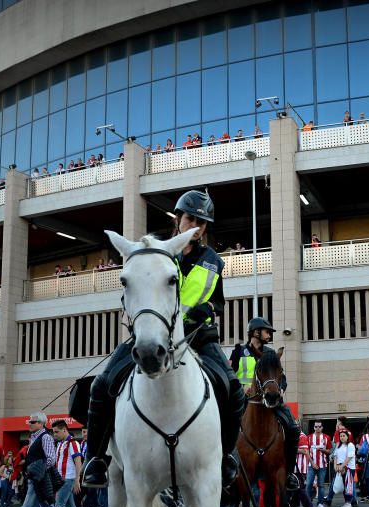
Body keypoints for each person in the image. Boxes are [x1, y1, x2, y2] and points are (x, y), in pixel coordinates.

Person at [79, 190, 246, 491]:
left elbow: (218, 302)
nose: (194, 225)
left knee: (233, 390)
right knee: (102, 385)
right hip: (155, 333)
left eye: (201, 221)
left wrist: (205, 310)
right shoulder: (156, 254)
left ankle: (225, 455)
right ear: (179, 219)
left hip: (198, 336)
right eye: (189, 218)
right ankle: (95, 459)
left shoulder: (214, 262)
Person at [229, 317, 301, 491]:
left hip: (271, 402)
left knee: (293, 427)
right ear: (255, 333)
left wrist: (282, 388)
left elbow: (281, 377)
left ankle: (289, 473)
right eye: (267, 331)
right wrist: (241, 387)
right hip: (244, 401)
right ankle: (228, 471)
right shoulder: (238, 352)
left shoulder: (270, 354)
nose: (269, 335)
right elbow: (229, 375)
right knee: (224, 428)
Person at [1, 412, 78, 507]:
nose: (29, 423)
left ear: (42, 423)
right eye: (29, 421)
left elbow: (51, 459)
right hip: (36, 479)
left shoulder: (45, 437)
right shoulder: (35, 438)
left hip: (38, 480)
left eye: (33, 421)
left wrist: (37, 471)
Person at [39, 420, 84, 507]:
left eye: (56, 432)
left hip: (67, 479)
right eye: (54, 432)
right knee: (70, 505)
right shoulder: (61, 443)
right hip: (62, 480)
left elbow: (78, 461)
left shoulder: (72, 443)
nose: (55, 434)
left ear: (64, 429)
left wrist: (77, 480)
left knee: (59, 505)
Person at [308, 421, 331, 507]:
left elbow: (329, 451)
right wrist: (313, 463)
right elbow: (307, 452)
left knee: (321, 485)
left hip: (322, 465)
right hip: (311, 464)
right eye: (316, 426)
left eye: (319, 426)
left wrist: (323, 450)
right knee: (309, 484)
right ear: (313, 427)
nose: (317, 428)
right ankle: (308, 503)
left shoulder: (326, 437)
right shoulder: (309, 437)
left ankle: (320, 503)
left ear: (322, 427)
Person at [332, 430, 357, 507]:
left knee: (348, 486)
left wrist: (342, 466)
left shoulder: (350, 445)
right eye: (341, 436)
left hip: (349, 468)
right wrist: (335, 465)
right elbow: (335, 455)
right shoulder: (338, 445)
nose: (342, 437)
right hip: (340, 468)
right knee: (344, 486)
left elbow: (349, 457)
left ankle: (349, 502)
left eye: (344, 436)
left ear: (347, 437)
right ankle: (347, 501)